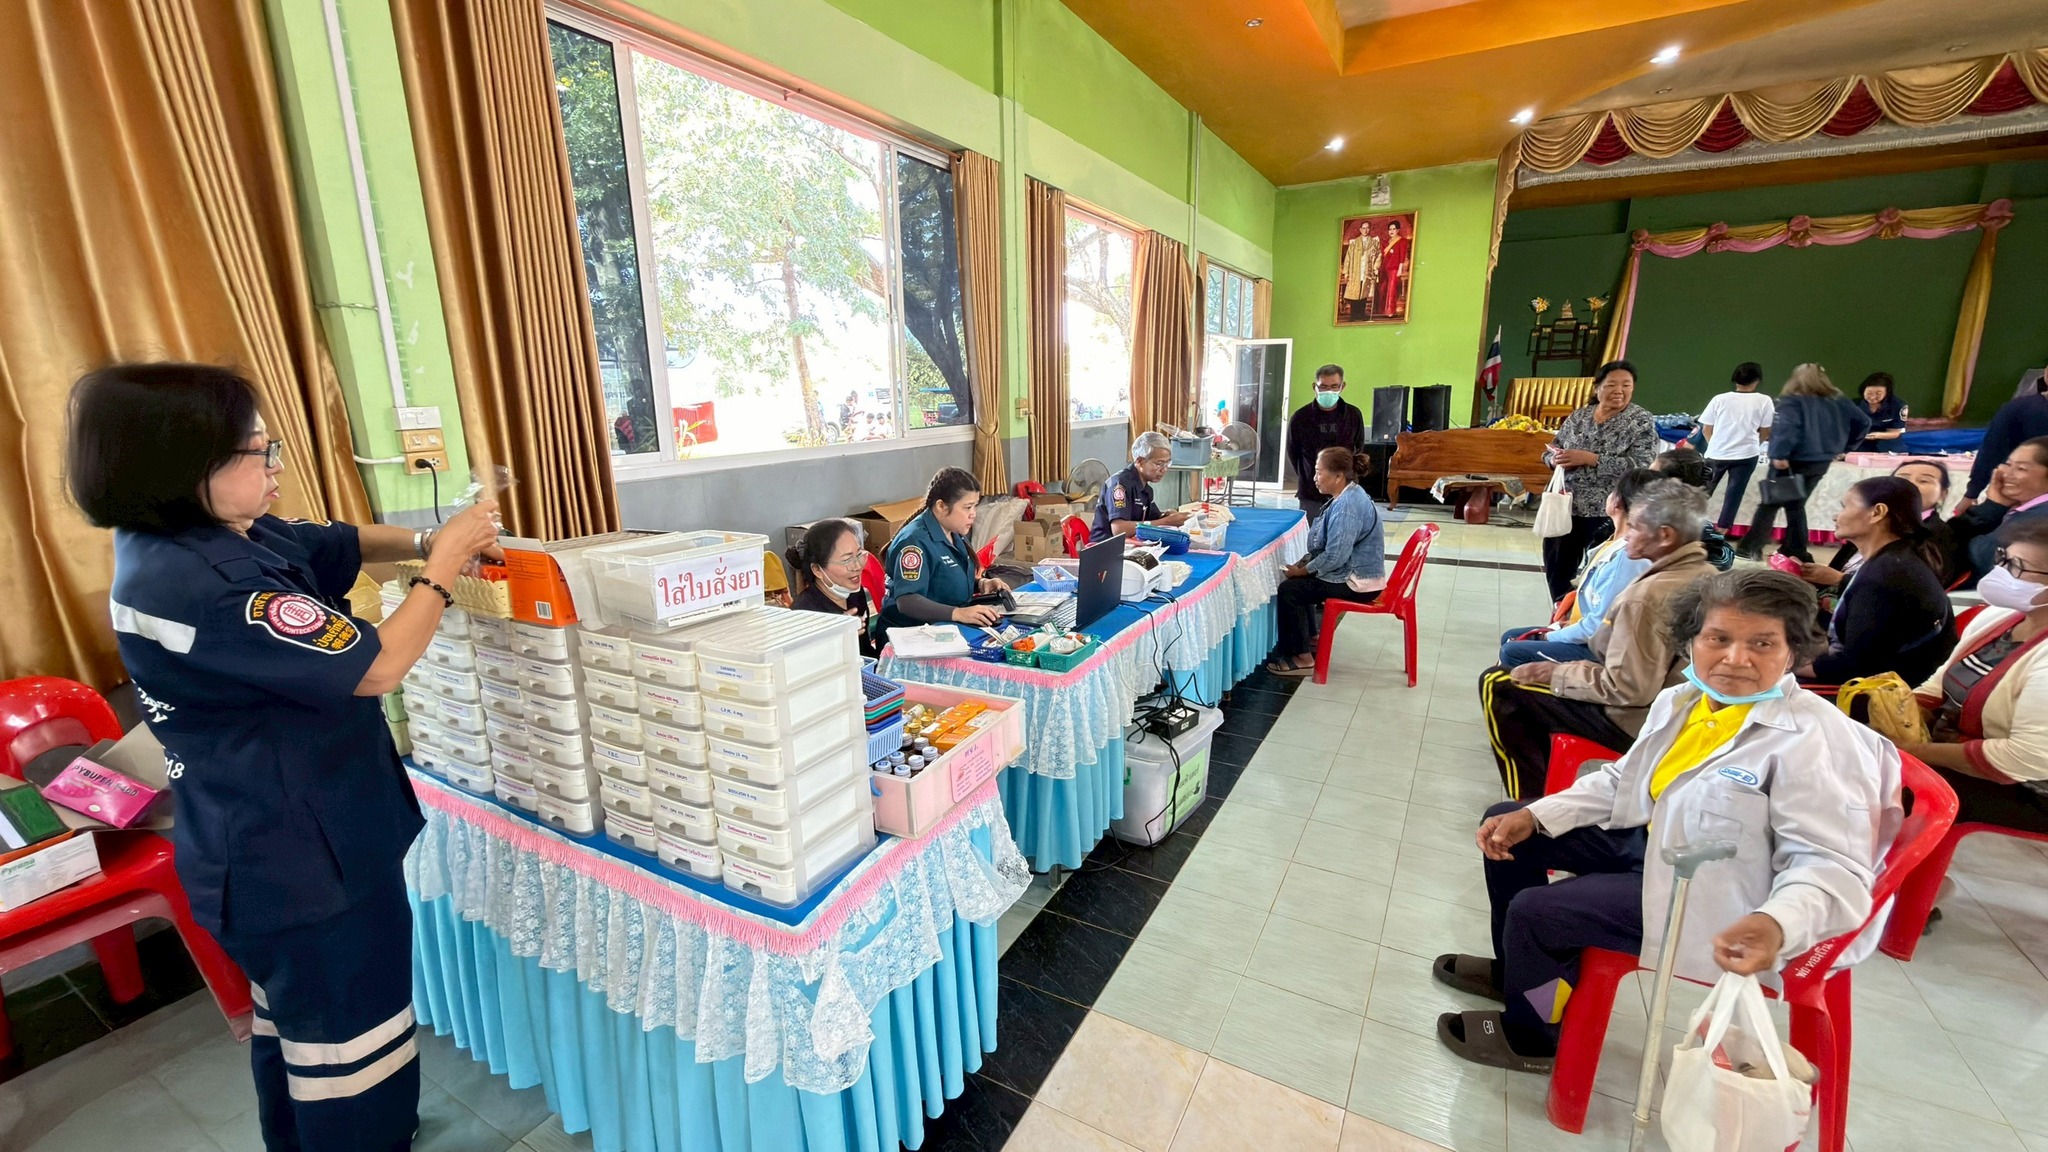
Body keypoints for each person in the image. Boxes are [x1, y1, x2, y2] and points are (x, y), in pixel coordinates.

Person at [66, 363, 504, 1150]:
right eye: (256, 452)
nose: (275, 468)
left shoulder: (191, 536)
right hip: (303, 865)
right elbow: (376, 667)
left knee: (297, 1032)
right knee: (350, 1052)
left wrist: (425, 539)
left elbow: (329, 542)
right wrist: (440, 572)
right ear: (184, 467)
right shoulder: (211, 585)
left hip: (258, 844)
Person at [1435, 569, 1899, 1071]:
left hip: (1725, 897)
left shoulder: (1817, 741)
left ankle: (1534, 1032)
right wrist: (1536, 813)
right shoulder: (1684, 701)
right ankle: (1518, 972)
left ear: (1793, 652)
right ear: (1690, 641)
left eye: (1762, 643)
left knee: (1539, 912)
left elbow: (1831, 866)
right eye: (1718, 638)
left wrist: (1776, 922)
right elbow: (1623, 781)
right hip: (1663, 845)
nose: (1735, 658)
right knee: (1507, 824)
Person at [1480, 481, 1716, 798]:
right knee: (1527, 670)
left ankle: (1530, 799)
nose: (1627, 534)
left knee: (1498, 683)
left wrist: (1557, 673)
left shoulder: (1645, 598)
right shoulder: (1706, 573)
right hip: (1675, 709)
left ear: (1665, 536)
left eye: (1635, 527)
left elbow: (1629, 688)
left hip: (1637, 720)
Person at [1904, 516, 2048, 836]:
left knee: (1878, 786)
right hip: (1956, 748)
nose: (2001, 572)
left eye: (2017, 567)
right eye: (2002, 558)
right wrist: (1897, 713)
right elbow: (1939, 683)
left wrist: (1911, 752)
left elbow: (2021, 759)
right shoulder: (2002, 615)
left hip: (2028, 789)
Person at [1796, 476, 1956, 686]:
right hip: (1892, 676)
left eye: (1845, 507)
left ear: (1877, 512)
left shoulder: (1885, 575)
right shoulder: (1899, 557)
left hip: (1880, 691)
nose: (1836, 516)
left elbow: (1857, 666)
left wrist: (1789, 665)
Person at [1498, 469, 1658, 668]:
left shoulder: (1627, 557)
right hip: (1591, 633)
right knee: (1511, 637)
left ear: (1617, 502)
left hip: (1602, 648)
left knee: (1512, 650)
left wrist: (1551, 636)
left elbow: (1599, 626)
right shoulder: (1613, 541)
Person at [1540, 360, 1659, 602]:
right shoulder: (1580, 416)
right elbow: (1551, 449)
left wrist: (1591, 459)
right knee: (1556, 566)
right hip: (1565, 505)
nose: (1619, 391)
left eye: (1626, 385)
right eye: (1612, 384)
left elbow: (1642, 465)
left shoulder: (1640, 420)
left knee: (1599, 571)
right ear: (1597, 388)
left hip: (1609, 510)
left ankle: (1587, 615)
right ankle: (1560, 610)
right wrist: (1554, 459)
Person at [1267, 447, 1386, 676]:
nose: (1314, 478)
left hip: (1359, 583)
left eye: (1319, 472)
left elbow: (1335, 556)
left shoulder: (1347, 507)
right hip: (1358, 574)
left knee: (1291, 590)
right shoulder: (1348, 495)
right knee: (1302, 583)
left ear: (1338, 476)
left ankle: (1302, 658)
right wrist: (1306, 566)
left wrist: (1303, 571)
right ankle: (1310, 637)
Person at [1738, 363, 1871, 565]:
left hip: (1791, 461)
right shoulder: (1840, 401)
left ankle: (1751, 547)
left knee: (1770, 504)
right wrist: (1845, 446)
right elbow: (1864, 422)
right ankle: (1796, 550)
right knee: (1796, 504)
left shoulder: (1791, 402)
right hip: (1821, 461)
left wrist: (1779, 454)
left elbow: (1787, 428)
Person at [880, 467, 1008, 631]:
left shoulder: (953, 531)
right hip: (912, 633)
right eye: (967, 507)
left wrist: (982, 584)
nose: (973, 514)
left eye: (975, 506)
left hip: (947, 626)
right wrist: (958, 613)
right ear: (941, 506)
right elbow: (907, 601)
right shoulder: (914, 542)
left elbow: (942, 580)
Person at [1955, 437, 2048, 580]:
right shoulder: (2024, 511)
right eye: (2008, 464)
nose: (2006, 474)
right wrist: (1996, 506)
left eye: (2021, 468)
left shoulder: (2039, 518)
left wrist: (1992, 507)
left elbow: (1980, 556)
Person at [1699, 361, 1775, 533]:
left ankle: (1687, 526)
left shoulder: (1719, 399)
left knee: (1701, 493)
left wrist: (1715, 444)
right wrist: (1754, 444)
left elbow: (1706, 429)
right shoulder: (1764, 401)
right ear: (1757, 380)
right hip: (1747, 455)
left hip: (1716, 453)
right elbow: (1765, 431)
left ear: (1735, 379)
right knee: (1734, 495)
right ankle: (1721, 532)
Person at [786, 518, 879, 658]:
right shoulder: (803, 614)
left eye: (859, 555)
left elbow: (865, 651)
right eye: (846, 560)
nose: (858, 566)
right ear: (817, 570)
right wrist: (836, 639)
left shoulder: (855, 593)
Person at [1960, 369, 2048, 512]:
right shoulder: (2018, 409)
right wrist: (1972, 493)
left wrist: (1972, 493)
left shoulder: (2019, 408)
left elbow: (1992, 451)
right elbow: (1992, 451)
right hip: (2022, 499)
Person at [1285, 364, 1366, 520]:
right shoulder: (1300, 418)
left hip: (1345, 490)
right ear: (1314, 387)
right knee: (1313, 531)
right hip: (1311, 491)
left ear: (1342, 386)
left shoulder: (1353, 415)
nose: (1329, 391)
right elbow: (1293, 453)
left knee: (1343, 530)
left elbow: (1358, 447)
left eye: (1334, 386)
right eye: (1323, 387)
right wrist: (1311, 475)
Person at [1093, 430, 1190, 540]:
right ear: (1140, 462)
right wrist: (1167, 521)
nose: (1164, 469)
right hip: (1106, 546)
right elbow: (1119, 529)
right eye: (1159, 464)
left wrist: (1167, 515)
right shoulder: (1119, 484)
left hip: (1131, 543)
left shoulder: (1146, 489)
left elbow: (1152, 518)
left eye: (1167, 463)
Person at [1654, 446, 1734, 571]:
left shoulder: (1691, 524)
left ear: (1672, 483)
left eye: (1652, 475)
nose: (1645, 478)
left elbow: (1722, 559)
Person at [1852, 372, 1908, 452]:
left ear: (1887, 393)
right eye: (1869, 393)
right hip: (1861, 440)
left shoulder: (1898, 405)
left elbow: (1895, 432)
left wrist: (1876, 435)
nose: (1872, 397)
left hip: (1887, 440)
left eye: (1878, 394)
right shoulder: (1854, 404)